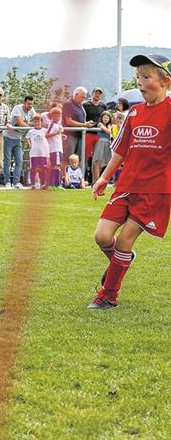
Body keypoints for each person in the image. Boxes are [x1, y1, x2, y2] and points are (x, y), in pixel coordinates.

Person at [89, 53, 171, 310]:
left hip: (155, 191)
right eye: (138, 77)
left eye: (147, 76)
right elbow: (120, 151)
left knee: (124, 240)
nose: (140, 82)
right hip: (126, 186)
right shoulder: (134, 112)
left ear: (165, 81)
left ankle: (108, 295)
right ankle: (122, 261)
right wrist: (103, 178)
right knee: (102, 236)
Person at [4, 96, 35, 188]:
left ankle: (16, 182)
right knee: (7, 160)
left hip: (18, 139)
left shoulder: (32, 110)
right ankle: (7, 182)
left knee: (19, 160)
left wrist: (29, 124)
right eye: (29, 104)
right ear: (24, 103)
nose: (30, 106)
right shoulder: (17, 108)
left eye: (32, 104)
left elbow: (37, 121)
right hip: (8, 137)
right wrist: (30, 125)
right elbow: (21, 123)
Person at [62, 86, 95, 161]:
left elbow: (81, 120)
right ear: (76, 95)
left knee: (78, 159)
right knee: (68, 159)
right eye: (82, 97)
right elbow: (69, 121)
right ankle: (65, 173)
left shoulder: (80, 106)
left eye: (84, 97)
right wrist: (84, 125)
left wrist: (86, 123)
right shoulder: (68, 104)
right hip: (70, 135)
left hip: (80, 135)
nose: (83, 99)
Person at [42, 106, 65, 187]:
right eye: (55, 115)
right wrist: (56, 133)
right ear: (52, 116)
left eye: (59, 115)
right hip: (55, 148)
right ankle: (56, 185)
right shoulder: (52, 124)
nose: (58, 117)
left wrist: (61, 136)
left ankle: (50, 184)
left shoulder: (58, 124)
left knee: (53, 166)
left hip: (57, 148)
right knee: (56, 165)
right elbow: (47, 135)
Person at [25, 114, 49, 189]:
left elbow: (50, 137)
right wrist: (29, 144)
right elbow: (26, 138)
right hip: (34, 153)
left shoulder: (45, 130)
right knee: (33, 169)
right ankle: (33, 184)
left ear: (41, 122)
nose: (37, 123)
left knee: (43, 168)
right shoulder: (31, 131)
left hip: (43, 153)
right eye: (35, 121)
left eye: (38, 121)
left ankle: (43, 183)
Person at [92, 110, 113, 184]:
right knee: (98, 162)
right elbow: (109, 132)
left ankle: (99, 180)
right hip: (100, 143)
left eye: (107, 118)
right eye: (104, 117)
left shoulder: (110, 125)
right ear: (101, 118)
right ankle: (96, 181)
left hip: (107, 144)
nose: (106, 119)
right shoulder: (100, 124)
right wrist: (108, 128)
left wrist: (109, 126)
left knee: (104, 163)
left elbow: (109, 131)